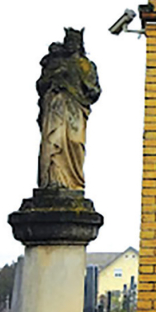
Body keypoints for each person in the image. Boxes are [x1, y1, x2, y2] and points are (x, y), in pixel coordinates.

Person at [36, 28, 101, 190]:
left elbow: (94, 90)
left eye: (74, 41)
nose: (71, 45)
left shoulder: (86, 65)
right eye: (69, 41)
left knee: (75, 141)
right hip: (56, 106)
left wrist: (91, 90)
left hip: (76, 108)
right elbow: (41, 85)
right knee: (54, 140)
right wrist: (55, 76)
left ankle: (72, 181)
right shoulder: (56, 62)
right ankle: (54, 179)